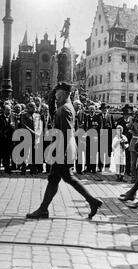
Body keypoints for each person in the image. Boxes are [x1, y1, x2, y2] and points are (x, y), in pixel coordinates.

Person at [27, 82, 103, 220]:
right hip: (63, 148)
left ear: (63, 93)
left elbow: (67, 132)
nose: (55, 95)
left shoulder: (66, 109)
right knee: (58, 179)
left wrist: (60, 152)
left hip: (62, 149)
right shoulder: (65, 107)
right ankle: (91, 201)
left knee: (63, 178)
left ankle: (92, 201)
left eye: (57, 93)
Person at [0, 103, 15, 174]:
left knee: (7, 155)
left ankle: (7, 168)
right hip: (0, 139)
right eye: (7, 110)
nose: (9, 111)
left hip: (8, 140)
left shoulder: (12, 117)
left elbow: (14, 128)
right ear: (4, 110)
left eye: (10, 110)